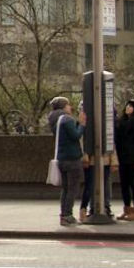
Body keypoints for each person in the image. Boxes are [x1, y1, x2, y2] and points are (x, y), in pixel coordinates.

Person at [48, 96, 86, 226]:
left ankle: (63, 215)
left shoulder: (54, 120)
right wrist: (82, 125)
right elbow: (75, 135)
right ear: (64, 107)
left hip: (61, 158)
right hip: (72, 158)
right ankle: (68, 215)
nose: (71, 107)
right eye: (69, 105)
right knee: (73, 188)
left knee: (65, 188)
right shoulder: (67, 119)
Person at [80, 109, 113, 220]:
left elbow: (111, 142)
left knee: (103, 184)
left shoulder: (107, 124)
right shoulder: (84, 125)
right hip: (94, 159)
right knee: (91, 184)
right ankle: (92, 207)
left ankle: (104, 206)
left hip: (103, 158)